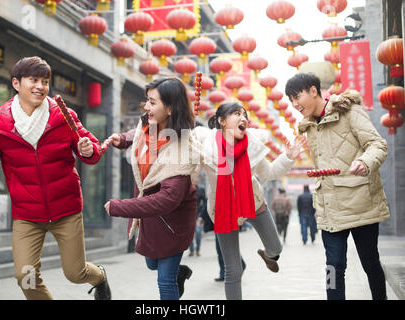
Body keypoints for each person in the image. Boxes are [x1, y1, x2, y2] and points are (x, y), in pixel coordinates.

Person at [0, 56, 111, 300]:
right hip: (27, 215)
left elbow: (90, 149)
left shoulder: (63, 115)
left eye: (45, 81)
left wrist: (89, 151)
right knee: (24, 276)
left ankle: (99, 276)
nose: (40, 86)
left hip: (66, 209)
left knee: (75, 273)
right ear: (16, 83)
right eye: (33, 80)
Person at [286, 72, 390, 300]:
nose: (294, 104)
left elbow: (377, 145)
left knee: (370, 262)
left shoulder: (350, 112)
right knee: (333, 266)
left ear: (313, 91)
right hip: (330, 207)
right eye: (290, 100)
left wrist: (364, 161)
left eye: (297, 97)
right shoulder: (308, 127)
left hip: (361, 202)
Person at [191, 102, 306, 299]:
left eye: (245, 115)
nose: (243, 118)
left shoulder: (252, 147)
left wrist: (287, 156)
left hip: (253, 203)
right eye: (236, 114)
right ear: (221, 121)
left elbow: (269, 173)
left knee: (276, 248)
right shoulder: (206, 146)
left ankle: (266, 254)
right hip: (223, 211)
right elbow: (190, 170)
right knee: (233, 270)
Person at [104, 77, 196, 300]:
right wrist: (123, 139)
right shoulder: (150, 124)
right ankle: (178, 273)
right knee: (151, 264)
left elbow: (166, 200)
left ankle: (173, 276)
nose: (146, 107)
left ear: (171, 108)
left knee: (164, 281)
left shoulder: (182, 150)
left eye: (152, 102)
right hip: (150, 218)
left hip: (174, 222)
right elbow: (138, 136)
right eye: (147, 101)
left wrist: (119, 207)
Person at [189, 185, 206, 257]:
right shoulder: (185, 188)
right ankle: (192, 250)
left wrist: (202, 214)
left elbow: (205, 202)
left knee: (198, 232)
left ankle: (198, 249)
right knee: (189, 234)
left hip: (198, 214)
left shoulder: (200, 189)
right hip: (188, 215)